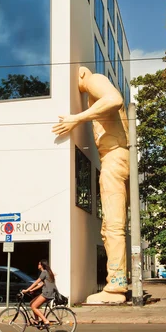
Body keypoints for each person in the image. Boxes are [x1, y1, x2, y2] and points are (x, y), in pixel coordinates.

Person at [52, 66, 130, 304]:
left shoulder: (95, 79)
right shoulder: (92, 90)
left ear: (82, 73)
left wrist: (76, 118)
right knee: (109, 228)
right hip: (114, 157)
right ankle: (116, 283)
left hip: (114, 156)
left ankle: (115, 287)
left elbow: (114, 99)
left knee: (113, 227)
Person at [22, 260, 57, 328]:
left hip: (47, 293)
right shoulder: (47, 272)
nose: (38, 265)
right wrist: (32, 289)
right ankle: (37, 321)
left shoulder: (44, 272)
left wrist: (27, 290)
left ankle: (45, 321)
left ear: (42, 265)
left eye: (39, 264)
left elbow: (36, 282)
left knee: (34, 306)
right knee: (32, 303)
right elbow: (41, 284)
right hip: (48, 292)